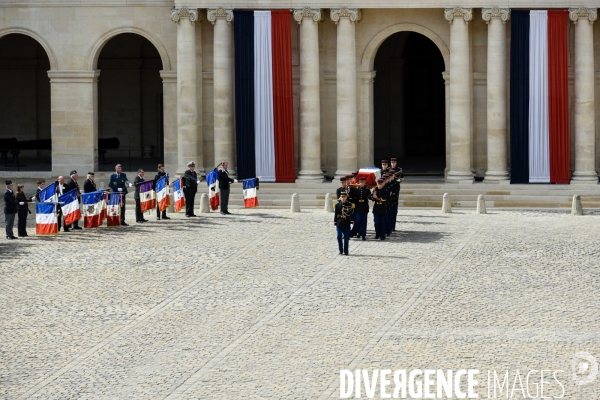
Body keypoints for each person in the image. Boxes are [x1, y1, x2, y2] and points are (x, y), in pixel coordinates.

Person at [334, 191, 354, 255]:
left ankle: (346, 251)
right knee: (339, 236)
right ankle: (340, 250)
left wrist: (351, 222)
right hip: (339, 223)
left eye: (344, 197)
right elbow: (336, 214)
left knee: (346, 238)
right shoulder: (337, 205)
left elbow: (352, 214)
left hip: (347, 223)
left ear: (346, 197)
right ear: (340, 197)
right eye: (342, 197)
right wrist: (335, 222)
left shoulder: (349, 204)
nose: (343, 198)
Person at [353, 177, 370, 241]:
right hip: (358, 207)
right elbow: (353, 197)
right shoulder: (356, 190)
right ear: (359, 183)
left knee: (364, 222)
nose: (361, 183)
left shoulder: (367, 189)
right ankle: (358, 232)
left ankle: (363, 235)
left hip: (364, 207)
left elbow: (369, 196)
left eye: (363, 182)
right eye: (360, 182)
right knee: (357, 221)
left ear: (365, 183)